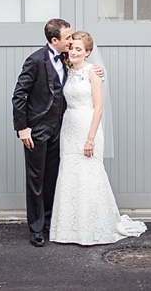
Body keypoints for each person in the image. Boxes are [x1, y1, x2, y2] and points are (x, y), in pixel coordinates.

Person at [11, 19, 104, 247]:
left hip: (61, 130)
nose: (71, 41)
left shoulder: (67, 58)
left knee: (52, 177)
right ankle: (35, 229)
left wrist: (96, 69)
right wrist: (22, 128)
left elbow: (83, 71)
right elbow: (19, 95)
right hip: (36, 130)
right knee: (36, 179)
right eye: (67, 38)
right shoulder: (35, 60)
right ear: (55, 40)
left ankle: (50, 222)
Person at [50, 31, 146, 246]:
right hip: (69, 127)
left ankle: (93, 228)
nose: (74, 51)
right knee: (70, 175)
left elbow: (99, 107)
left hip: (88, 126)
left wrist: (90, 138)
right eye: (72, 47)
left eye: (79, 49)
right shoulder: (67, 70)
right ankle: (70, 229)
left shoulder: (93, 72)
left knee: (89, 176)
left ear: (88, 52)